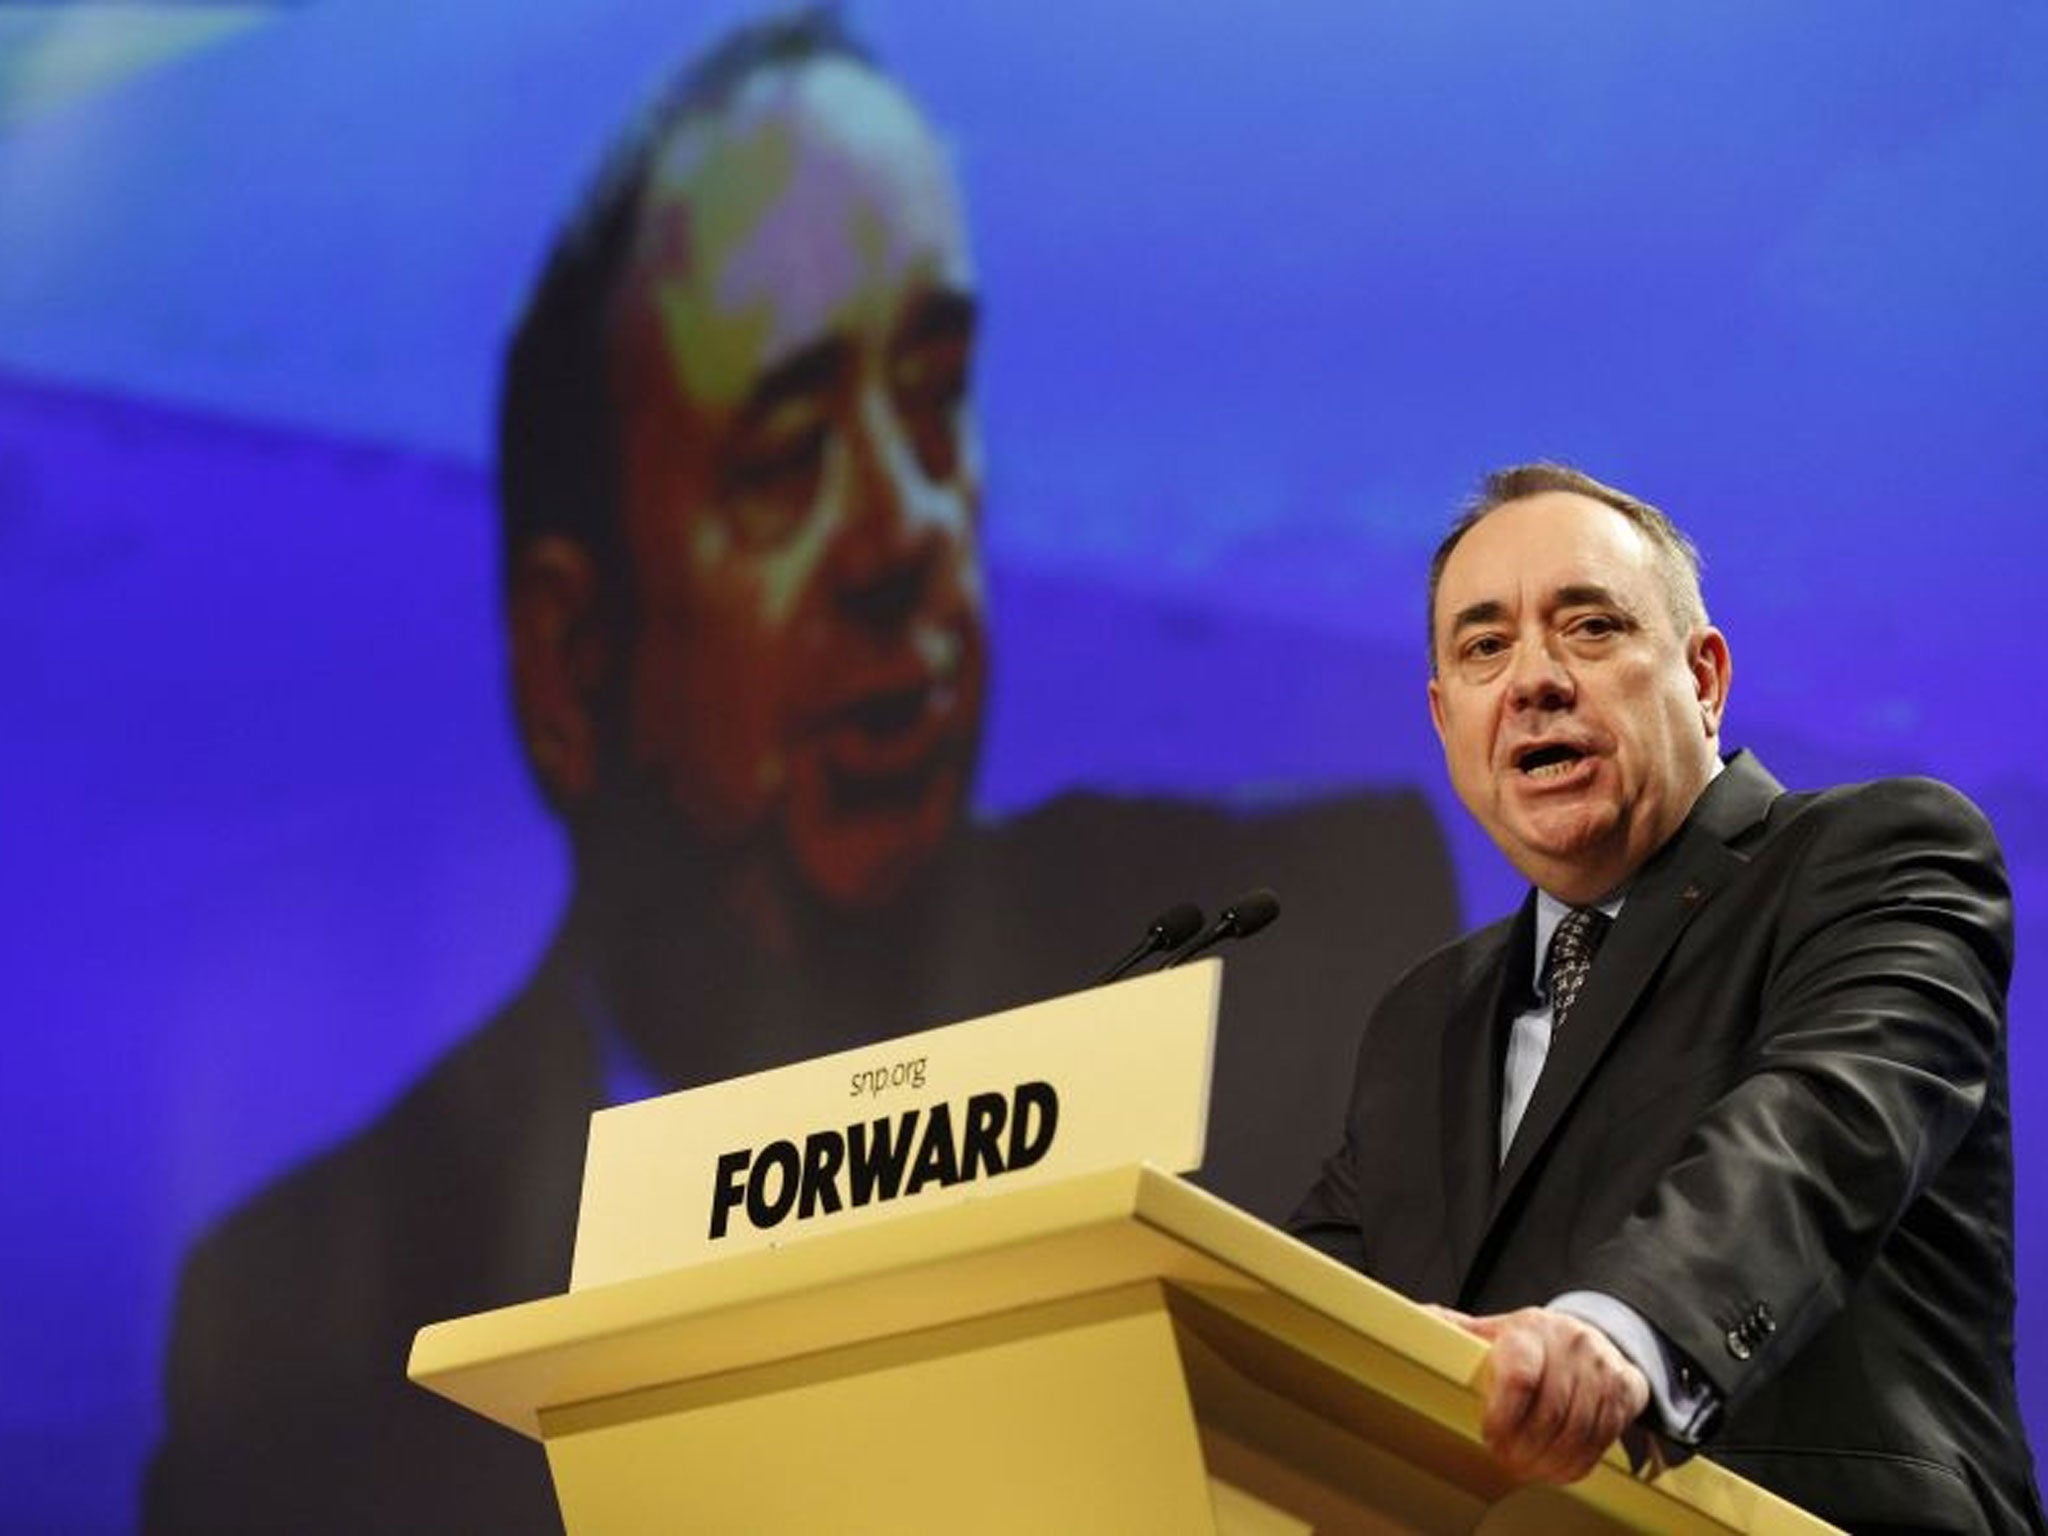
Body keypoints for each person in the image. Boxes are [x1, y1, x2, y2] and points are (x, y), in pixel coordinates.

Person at [144, 14, 1456, 1532]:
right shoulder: (313, 1319)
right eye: (783, 456)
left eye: (934, 396)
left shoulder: (1295, 962)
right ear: (576, 662)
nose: (907, 534)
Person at [1292, 462, 2044, 1533]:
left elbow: (1819, 1133)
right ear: (1441, 716)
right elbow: (1307, 1300)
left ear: (1702, 676)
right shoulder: (1424, 1020)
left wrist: (1622, 1336)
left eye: (1588, 628)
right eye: (1481, 646)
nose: (1532, 680)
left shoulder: (1874, 857)